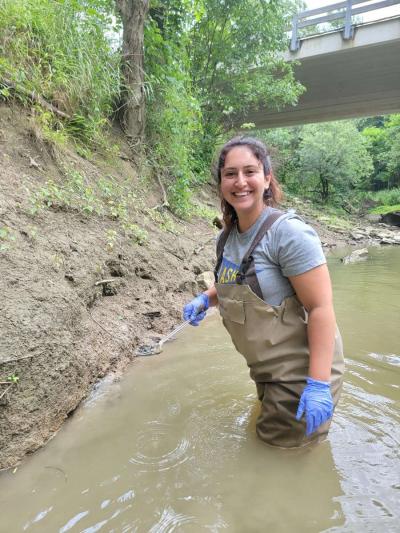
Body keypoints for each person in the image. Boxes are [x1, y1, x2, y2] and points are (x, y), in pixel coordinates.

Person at [183, 136, 345, 448]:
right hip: (266, 372)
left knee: (278, 462)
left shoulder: (289, 234)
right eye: (230, 174)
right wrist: (206, 298)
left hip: (302, 376)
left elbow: (321, 308)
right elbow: (235, 282)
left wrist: (317, 384)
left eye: (250, 171)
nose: (240, 182)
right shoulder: (226, 238)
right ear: (220, 183)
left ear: (267, 178)